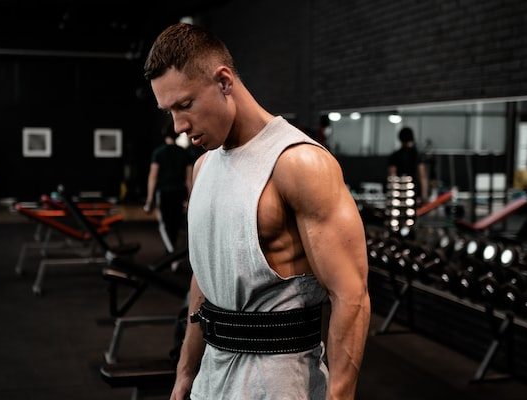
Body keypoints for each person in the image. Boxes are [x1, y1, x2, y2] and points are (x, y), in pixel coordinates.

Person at [144, 23, 370, 400]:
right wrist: (185, 373)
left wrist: (339, 396)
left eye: (185, 105)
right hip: (212, 378)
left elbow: (351, 294)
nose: (180, 126)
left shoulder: (298, 163)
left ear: (224, 81)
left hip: (279, 384)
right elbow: (205, 278)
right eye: (169, 112)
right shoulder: (203, 167)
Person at [144, 129, 193, 254]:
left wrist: (149, 200)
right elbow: (189, 179)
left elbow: (153, 177)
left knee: (165, 225)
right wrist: (190, 199)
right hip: (179, 193)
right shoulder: (184, 153)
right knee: (175, 225)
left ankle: (172, 256)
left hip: (164, 193)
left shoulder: (158, 153)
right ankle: (173, 256)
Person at [387, 127, 429, 203]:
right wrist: (424, 196)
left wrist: (393, 194)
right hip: (415, 193)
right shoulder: (418, 155)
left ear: (400, 138)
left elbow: (392, 176)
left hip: (400, 193)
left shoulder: (395, 155)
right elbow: (422, 176)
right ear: (412, 137)